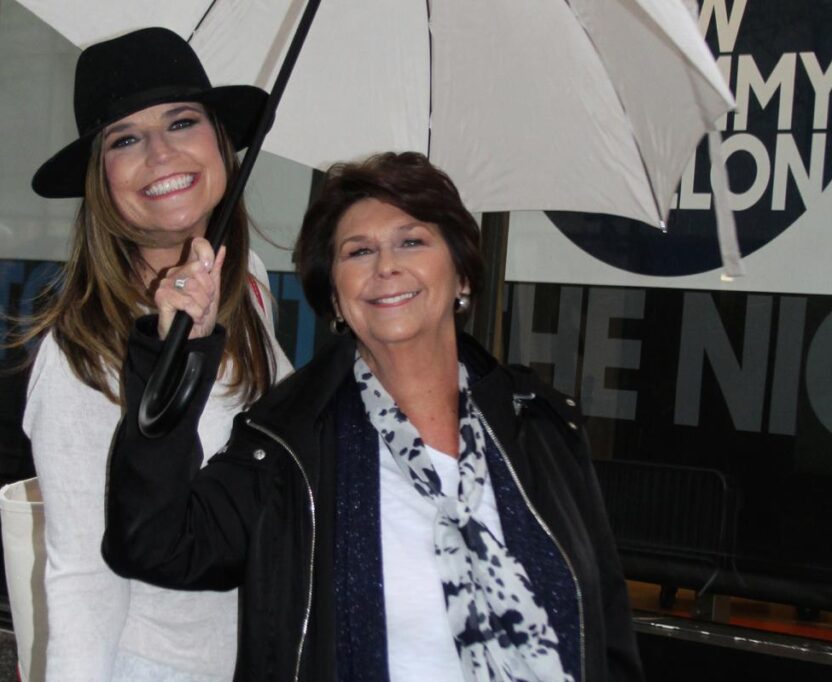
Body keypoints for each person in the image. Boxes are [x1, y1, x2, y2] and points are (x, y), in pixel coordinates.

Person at [103, 152, 643, 681]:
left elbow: (607, 633)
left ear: (462, 276)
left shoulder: (542, 426)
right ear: (335, 299)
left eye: (411, 241)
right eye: (358, 251)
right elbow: (155, 543)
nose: (386, 266)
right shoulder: (290, 444)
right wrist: (176, 356)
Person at [19, 27, 292, 681]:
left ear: (219, 141)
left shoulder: (248, 286)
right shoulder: (85, 350)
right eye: (126, 139)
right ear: (101, 177)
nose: (162, 154)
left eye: (181, 121)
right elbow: (83, 577)